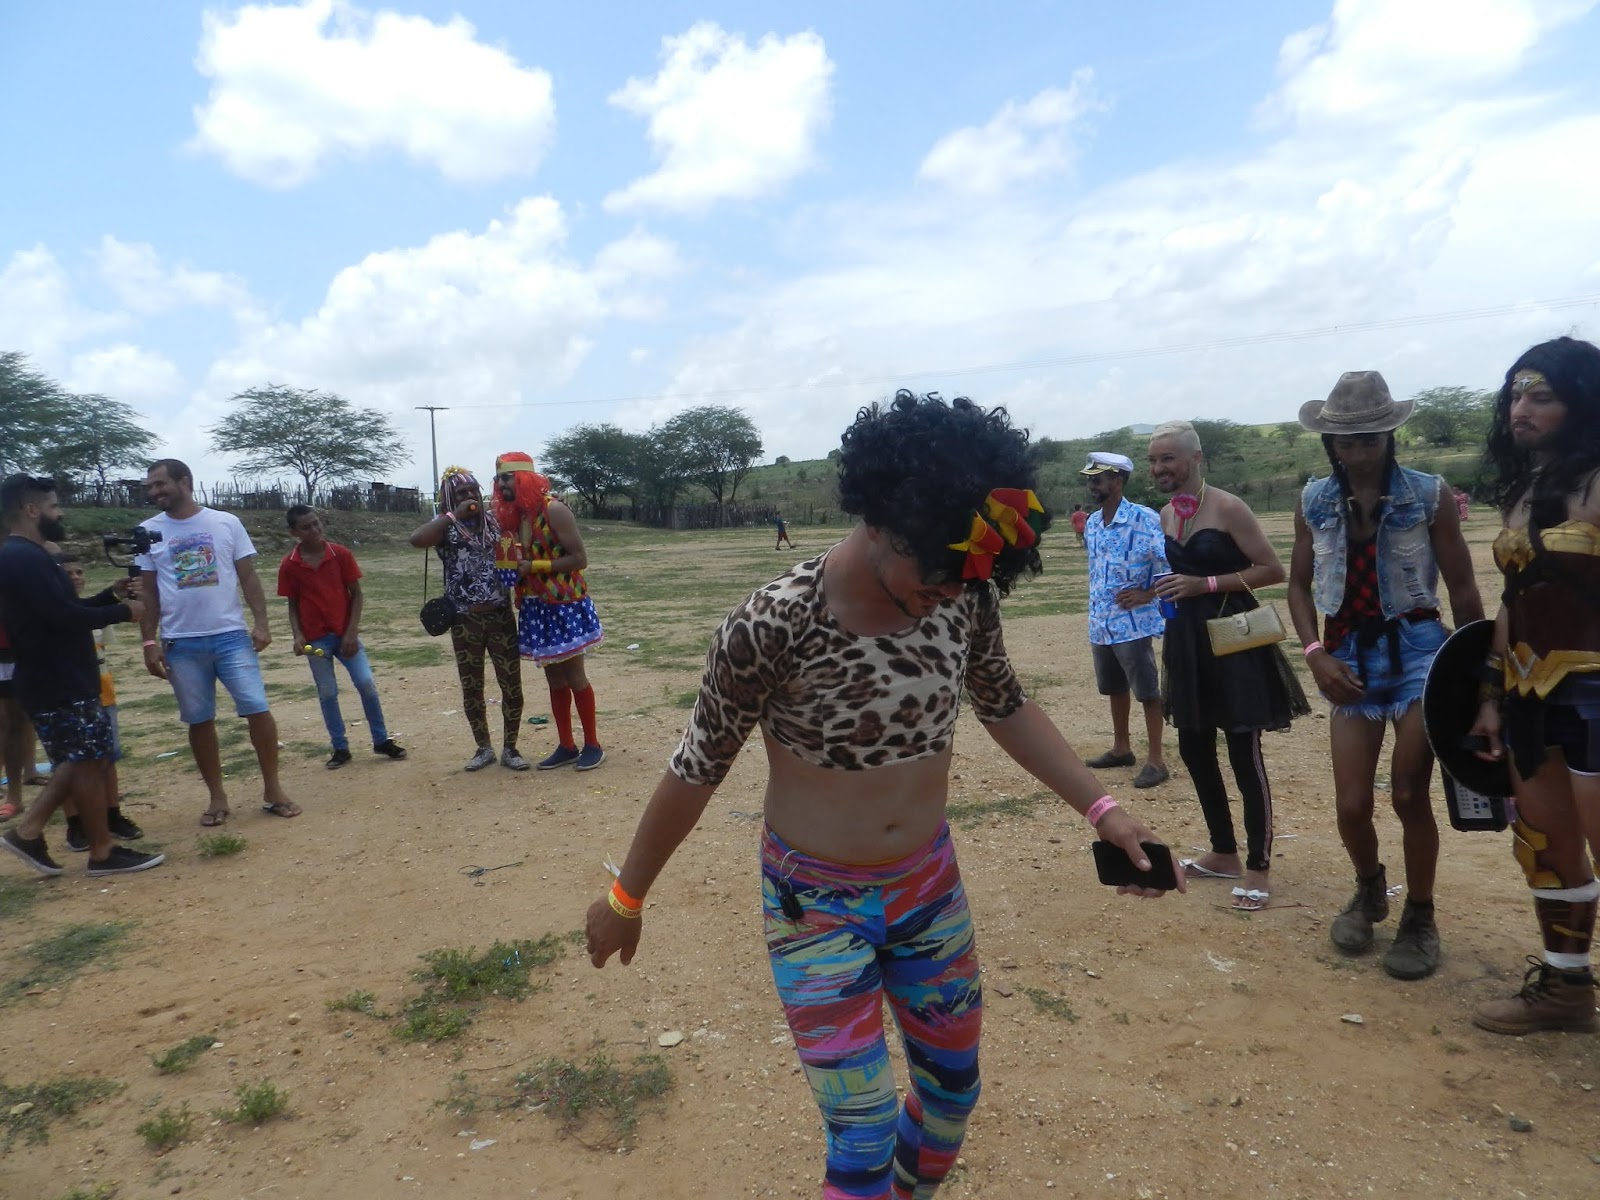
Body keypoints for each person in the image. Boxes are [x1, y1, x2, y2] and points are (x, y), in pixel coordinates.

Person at [585, 391, 1182, 1200]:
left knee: (950, 1099)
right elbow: (698, 767)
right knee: (861, 1135)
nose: (946, 595)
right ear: (881, 520)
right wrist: (625, 897)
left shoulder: (964, 594)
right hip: (814, 905)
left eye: (962, 580)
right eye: (931, 576)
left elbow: (1006, 706)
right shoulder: (771, 625)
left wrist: (1104, 811)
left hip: (928, 891)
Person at [1288, 372, 1484, 980]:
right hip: (1346, 654)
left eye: (1369, 437)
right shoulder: (1313, 501)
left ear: (1388, 435)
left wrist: (1478, 678)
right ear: (1331, 442)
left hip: (1420, 651)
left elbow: (1463, 588)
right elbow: (1297, 586)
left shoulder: (1428, 495)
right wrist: (1315, 653)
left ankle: (1420, 916)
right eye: (1345, 440)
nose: (1357, 450)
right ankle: (1369, 889)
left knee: (1407, 793)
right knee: (1351, 804)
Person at [1468, 336, 1600, 1034]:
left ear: (1580, 401)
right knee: (1546, 848)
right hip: (1530, 695)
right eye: (1516, 395)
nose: (1521, 409)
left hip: (1596, 692)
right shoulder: (1522, 492)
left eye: (1541, 396)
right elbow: (1512, 602)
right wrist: (1491, 696)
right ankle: (1565, 989)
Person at [1149, 420, 1309, 910]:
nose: (1159, 468)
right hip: (1187, 643)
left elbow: (1272, 569)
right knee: (1194, 749)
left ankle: (1259, 864)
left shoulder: (1228, 507)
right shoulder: (1165, 514)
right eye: (1153, 460)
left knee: (1244, 751)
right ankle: (1223, 852)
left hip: (1234, 641)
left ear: (1196, 458)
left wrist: (1206, 584)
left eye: (1168, 458)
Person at [0, 474, 163, 876]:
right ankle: (100, 851)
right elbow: (61, 617)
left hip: (58, 676)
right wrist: (122, 611)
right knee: (86, 760)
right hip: (57, 679)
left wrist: (108, 596)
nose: (60, 513)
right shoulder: (23, 557)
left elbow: (58, 611)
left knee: (83, 759)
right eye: (54, 506)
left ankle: (30, 832)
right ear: (32, 510)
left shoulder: (28, 555)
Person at [137, 458, 301, 825]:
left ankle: (273, 789)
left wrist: (262, 624)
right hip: (180, 643)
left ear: (185, 481)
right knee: (199, 720)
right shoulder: (147, 532)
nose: (154, 491)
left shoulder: (226, 522)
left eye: (160, 484)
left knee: (257, 709)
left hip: (231, 636)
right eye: (150, 486)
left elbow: (248, 576)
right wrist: (148, 642)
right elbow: (148, 592)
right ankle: (216, 797)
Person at [492, 453, 604, 771]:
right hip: (535, 606)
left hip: (564, 604)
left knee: (575, 676)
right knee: (554, 679)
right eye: (498, 479)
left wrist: (534, 567)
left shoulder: (554, 509)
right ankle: (566, 745)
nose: (500, 484)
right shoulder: (516, 516)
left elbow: (579, 559)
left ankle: (593, 745)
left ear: (523, 478)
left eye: (506, 478)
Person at [410, 466, 527, 771]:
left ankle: (511, 748)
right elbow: (416, 539)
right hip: (464, 620)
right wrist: (453, 515)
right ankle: (483, 748)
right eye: (462, 493)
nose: (470, 496)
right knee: (472, 687)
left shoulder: (496, 521)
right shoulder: (445, 527)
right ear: (451, 498)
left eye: (473, 490)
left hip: (500, 615)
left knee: (511, 684)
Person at [277, 505, 407, 769]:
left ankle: (381, 739)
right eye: (306, 527)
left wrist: (351, 631)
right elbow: (293, 604)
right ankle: (340, 747)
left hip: (345, 634)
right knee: (327, 693)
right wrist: (298, 635)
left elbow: (356, 594)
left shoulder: (340, 554)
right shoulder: (290, 565)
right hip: (315, 641)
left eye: (316, 523)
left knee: (366, 683)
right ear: (294, 533)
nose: (314, 530)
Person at [1079, 451, 1171, 790]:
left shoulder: (1144, 519)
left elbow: (1169, 564)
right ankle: (1122, 748)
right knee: (1114, 687)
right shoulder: (1092, 522)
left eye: (1098, 480)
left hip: (1133, 623)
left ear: (1117, 482)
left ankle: (1156, 760)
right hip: (1102, 622)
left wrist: (1148, 594)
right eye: (1090, 480)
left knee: (1146, 690)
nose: (1092, 486)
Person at [52, 544, 147, 850]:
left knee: (108, 756)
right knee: (68, 761)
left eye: (80, 572)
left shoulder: (87, 610)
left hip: (102, 690)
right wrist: (121, 607)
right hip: (67, 695)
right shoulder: (54, 614)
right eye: (68, 573)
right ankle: (75, 823)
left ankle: (112, 814)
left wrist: (114, 596)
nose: (76, 578)